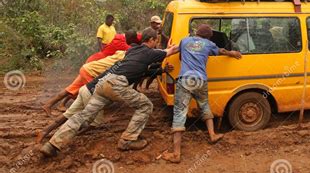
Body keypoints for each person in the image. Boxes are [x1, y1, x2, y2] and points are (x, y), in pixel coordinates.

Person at [40, 27, 179, 158]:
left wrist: (161, 70)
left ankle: (52, 144)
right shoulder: (150, 52)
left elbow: (140, 69)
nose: (156, 44)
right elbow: (173, 50)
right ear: (151, 40)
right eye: (156, 41)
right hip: (116, 84)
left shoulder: (132, 51)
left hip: (102, 83)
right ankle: (127, 141)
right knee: (146, 105)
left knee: (83, 115)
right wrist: (188, 41)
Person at [161, 24, 241, 164]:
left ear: (197, 33)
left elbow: (173, 50)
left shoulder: (185, 40)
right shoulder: (209, 44)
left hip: (186, 79)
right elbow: (221, 50)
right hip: (200, 80)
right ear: (208, 36)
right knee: (204, 105)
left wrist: (159, 54)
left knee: (180, 112)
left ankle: (176, 153)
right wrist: (232, 53)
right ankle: (212, 135)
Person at [41, 50, 126, 115]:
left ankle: (49, 104)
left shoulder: (120, 52)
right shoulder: (127, 59)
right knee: (93, 92)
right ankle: (83, 112)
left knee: (71, 89)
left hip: (87, 68)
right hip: (91, 72)